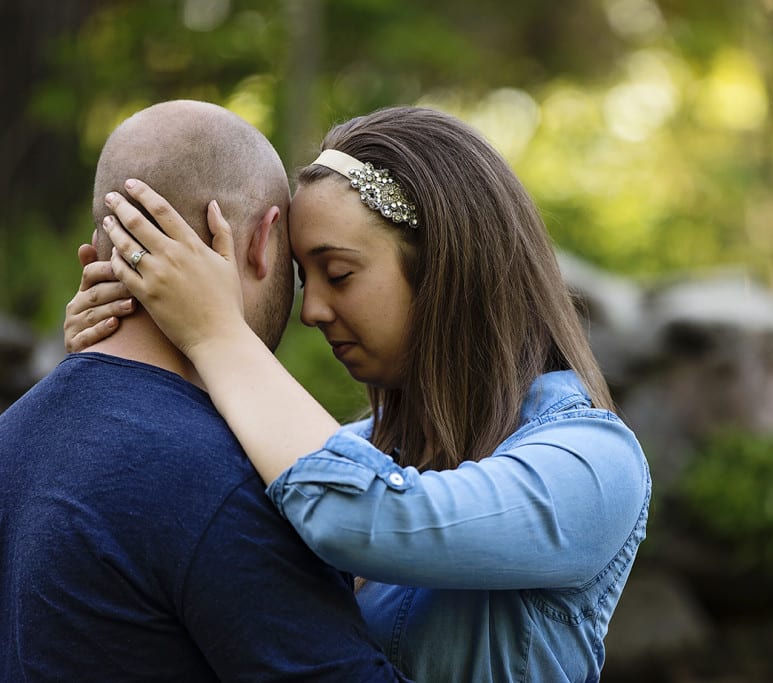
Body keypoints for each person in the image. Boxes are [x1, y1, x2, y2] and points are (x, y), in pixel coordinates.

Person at [66, 105, 651, 682]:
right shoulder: (346, 448)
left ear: (446, 268)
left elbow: (364, 514)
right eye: (303, 279)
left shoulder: (593, 464)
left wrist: (216, 333)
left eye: (339, 274)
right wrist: (111, 367)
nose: (312, 311)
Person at [2, 100, 407, 682]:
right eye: (297, 268)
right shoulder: (228, 480)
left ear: (95, 257)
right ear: (263, 242)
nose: (311, 309)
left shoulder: (13, 434)